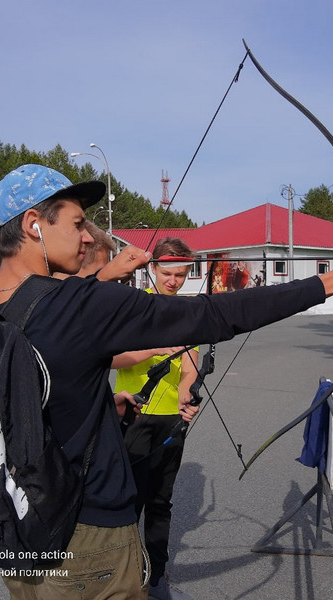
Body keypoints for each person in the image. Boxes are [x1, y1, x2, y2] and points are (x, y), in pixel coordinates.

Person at [0, 163, 333, 600]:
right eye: (78, 223)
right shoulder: (83, 306)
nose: (87, 236)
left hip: (17, 516)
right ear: (33, 225)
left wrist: (99, 402)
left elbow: (25, 379)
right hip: (86, 533)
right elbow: (213, 316)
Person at [113, 237, 199, 599]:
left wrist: (185, 391)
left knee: (161, 502)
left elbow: (191, 363)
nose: (173, 281)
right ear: (152, 268)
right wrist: (152, 350)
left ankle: (157, 574)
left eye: (181, 275)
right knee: (129, 500)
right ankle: (125, 576)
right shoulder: (134, 307)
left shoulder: (188, 312)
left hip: (171, 420)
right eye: (167, 273)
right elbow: (111, 357)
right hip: (134, 414)